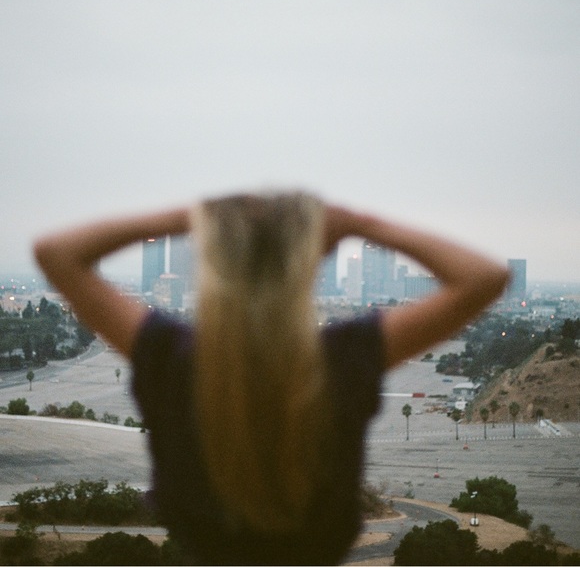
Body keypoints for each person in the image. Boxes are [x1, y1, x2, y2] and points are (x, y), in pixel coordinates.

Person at [34, 191, 509, 565]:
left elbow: (57, 253)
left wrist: (193, 218)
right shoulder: (341, 360)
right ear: (307, 268)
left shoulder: (176, 360)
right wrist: (358, 222)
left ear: (211, 265)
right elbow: (484, 278)